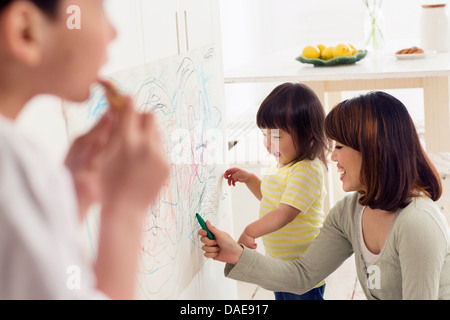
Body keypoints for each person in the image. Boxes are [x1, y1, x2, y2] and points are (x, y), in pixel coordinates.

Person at [201, 91, 450, 300]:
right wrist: (237, 254)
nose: (332, 157)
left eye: (339, 147)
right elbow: (303, 275)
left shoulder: (417, 224)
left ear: (374, 150)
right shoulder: (350, 212)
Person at [0, 0, 169, 299]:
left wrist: (71, 199)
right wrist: (124, 211)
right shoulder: (11, 167)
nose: (114, 32)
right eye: (99, 7)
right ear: (25, 30)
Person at [224, 83, 329, 300]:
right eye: (265, 134)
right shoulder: (281, 164)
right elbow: (272, 199)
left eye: (277, 136)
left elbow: (284, 213)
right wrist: (250, 179)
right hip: (280, 266)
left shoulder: (307, 170)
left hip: (302, 271)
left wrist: (250, 231)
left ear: (307, 133)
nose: (268, 144)